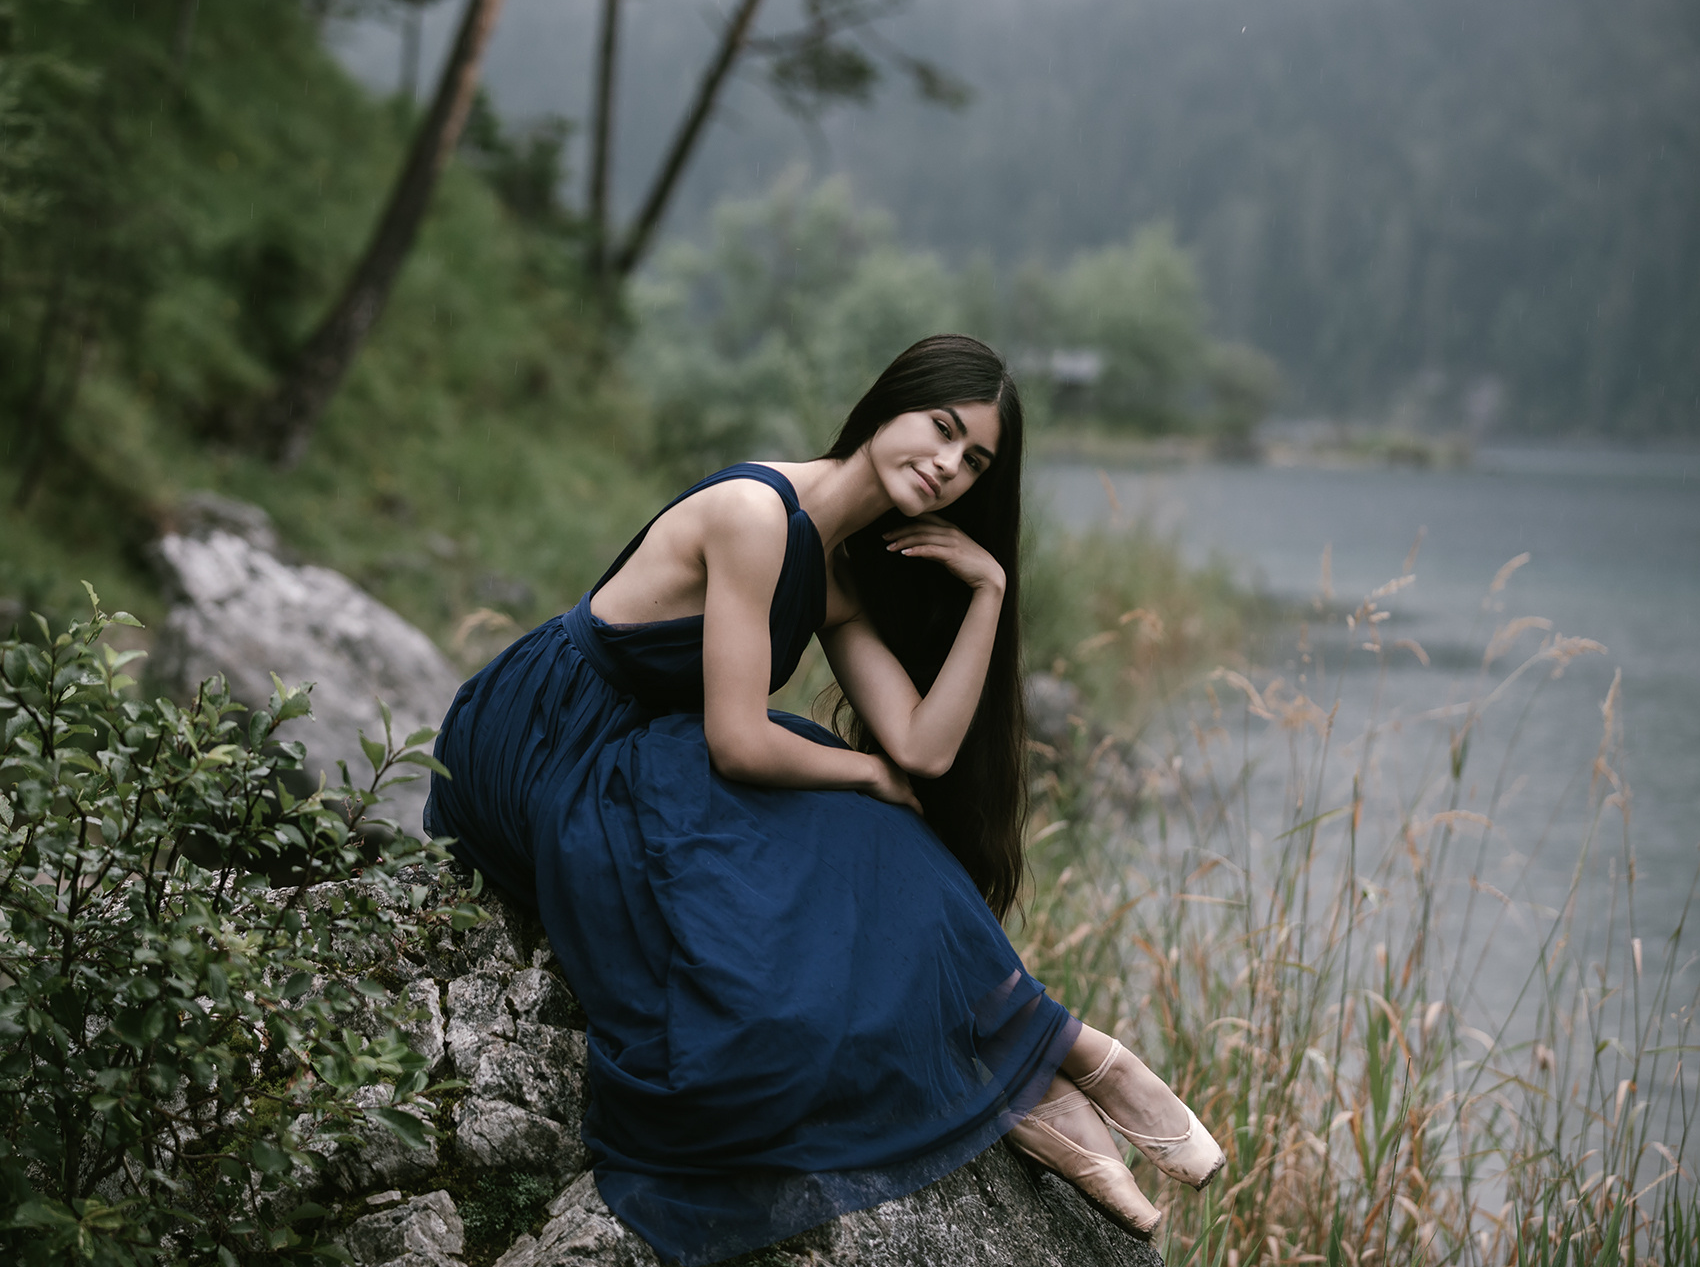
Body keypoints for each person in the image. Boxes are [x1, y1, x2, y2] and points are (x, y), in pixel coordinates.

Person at [425, 335, 1222, 1265]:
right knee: (844, 798)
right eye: (941, 428)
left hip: (647, 741)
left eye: (975, 461)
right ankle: (1061, 1060)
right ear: (890, 404)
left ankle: (1044, 1067)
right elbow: (740, 741)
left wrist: (989, 592)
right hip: (545, 740)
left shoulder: (838, 570)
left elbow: (922, 746)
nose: (947, 465)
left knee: (867, 818)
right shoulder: (756, 515)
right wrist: (872, 776)